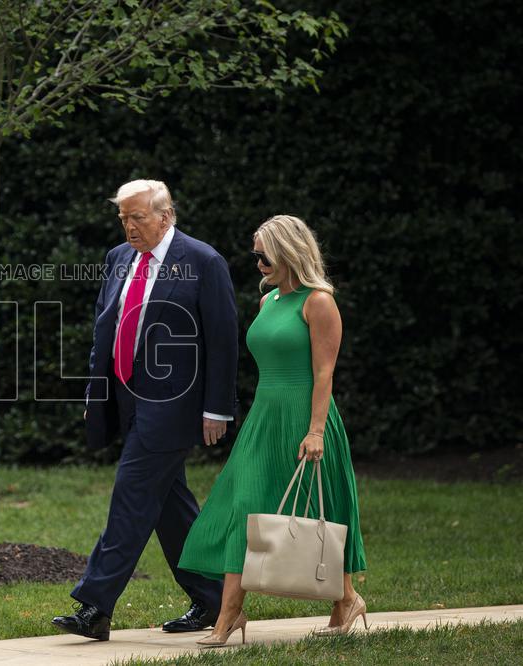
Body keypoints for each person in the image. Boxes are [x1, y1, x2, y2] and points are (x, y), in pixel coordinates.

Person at [51, 180, 238, 641]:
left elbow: (223, 340)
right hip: (126, 397)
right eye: (123, 218)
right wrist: (96, 396)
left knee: (132, 496)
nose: (129, 226)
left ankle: (95, 606)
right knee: (167, 506)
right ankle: (214, 598)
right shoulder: (119, 258)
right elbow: (105, 329)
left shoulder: (203, 261)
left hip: (174, 405)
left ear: (166, 215)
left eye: (138, 217)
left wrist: (218, 408)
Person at [178, 214, 368, 647]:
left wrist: (316, 430)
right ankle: (229, 614)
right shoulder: (267, 303)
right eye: (256, 254)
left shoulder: (319, 302)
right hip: (264, 417)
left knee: (323, 508)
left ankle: (347, 599)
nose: (258, 262)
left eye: (265, 254)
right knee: (243, 507)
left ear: (289, 252)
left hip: (306, 415)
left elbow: (324, 373)